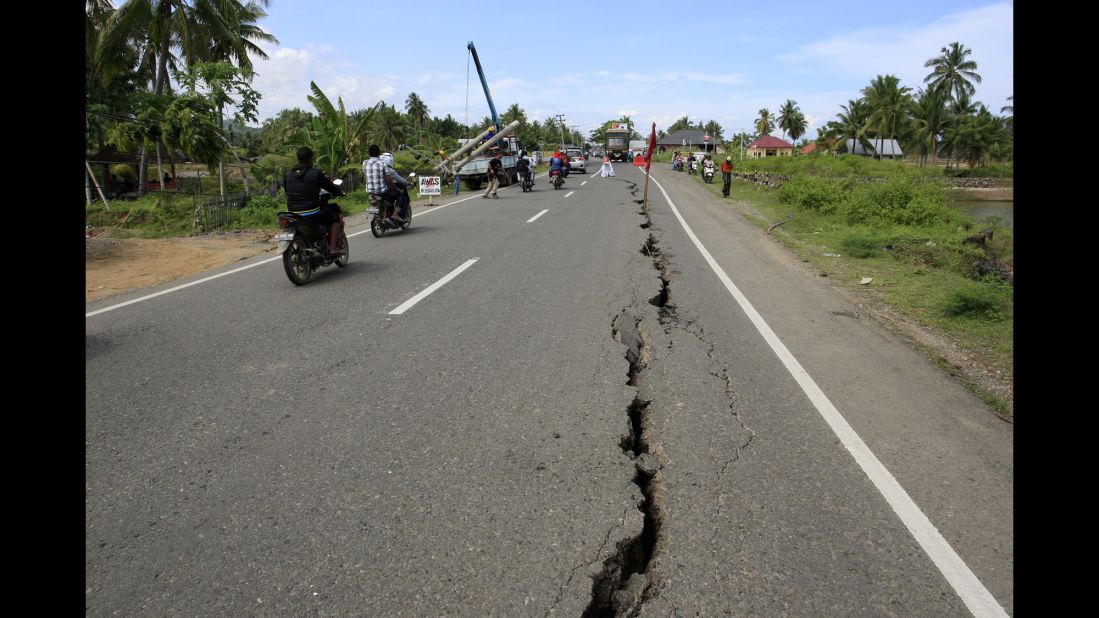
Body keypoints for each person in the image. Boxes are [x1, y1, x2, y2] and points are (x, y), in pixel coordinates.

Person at [285, 146, 346, 256]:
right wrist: (339, 192)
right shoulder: (315, 174)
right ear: (311, 159)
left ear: (298, 158)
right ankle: (333, 249)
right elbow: (330, 187)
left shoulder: (288, 175)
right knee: (335, 218)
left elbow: (287, 192)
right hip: (312, 212)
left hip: (292, 213)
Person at [363, 144, 408, 223]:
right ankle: (395, 215)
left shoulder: (364, 163)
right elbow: (388, 179)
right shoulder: (382, 163)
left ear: (369, 153)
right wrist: (396, 188)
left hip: (370, 192)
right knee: (401, 196)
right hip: (382, 191)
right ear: (378, 153)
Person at [380, 151, 412, 219]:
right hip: (386, 190)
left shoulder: (378, 169)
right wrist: (408, 183)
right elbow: (401, 180)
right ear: (390, 161)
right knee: (402, 196)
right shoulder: (391, 171)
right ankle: (395, 215)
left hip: (377, 191)